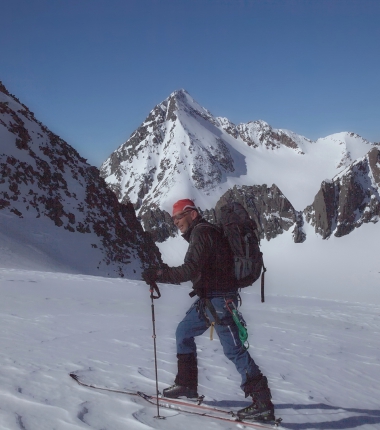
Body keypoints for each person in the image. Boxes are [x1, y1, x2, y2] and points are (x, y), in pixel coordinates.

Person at [142, 199, 275, 422]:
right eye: (173, 218)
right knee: (183, 332)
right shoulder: (204, 233)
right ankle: (186, 384)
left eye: (179, 217)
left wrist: (158, 274)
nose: (175, 222)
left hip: (220, 301)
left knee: (234, 350)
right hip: (209, 300)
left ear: (193, 214)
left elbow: (189, 270)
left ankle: (262, 403)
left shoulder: (202, 233)